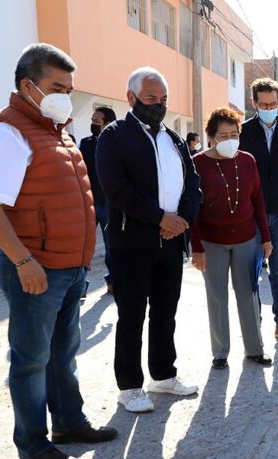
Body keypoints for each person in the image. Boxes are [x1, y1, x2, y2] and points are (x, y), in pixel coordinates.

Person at [0, 43, 117, 459]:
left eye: (70, 87)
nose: (66, 95)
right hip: (36, 268)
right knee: (30, 360)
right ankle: (32, 445)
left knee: (63, 353)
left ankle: (68, 423)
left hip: (68, 266)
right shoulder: (8, 131)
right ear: (28, 85)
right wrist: (24, 263)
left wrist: (81, 263)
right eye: (56, 86)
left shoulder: (54, 128)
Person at [97, 67, 201, 413]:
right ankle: (129, 386)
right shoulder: (113, 137)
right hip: (132, 244)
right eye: (151, 99)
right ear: (131, 98)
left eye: (163, 100)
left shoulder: (172, 138)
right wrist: (160, 217)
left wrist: (181, 219)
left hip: (171, 243)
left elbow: (193, 185)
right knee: (131, 315)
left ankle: (163, 375)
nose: (158, 105)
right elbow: (118, 190)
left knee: (165, 312)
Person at [192, 107, 273, 369]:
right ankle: (220, 352)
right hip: (211, 241)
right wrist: (196, 247)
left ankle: (255, 349)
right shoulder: (198, 164)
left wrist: (266, 237)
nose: (229, 140)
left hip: (246, 239)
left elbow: (258, 200)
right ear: (211, 136)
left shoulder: (248, 160)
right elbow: (192, 208)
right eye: (223, 135)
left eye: (234, 134)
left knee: (248, 293)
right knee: (216, 296)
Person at [239, 78, 278, 344]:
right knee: (251, 272)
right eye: (264, 104)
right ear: (254, 103)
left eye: (273, 104)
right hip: (251, 213)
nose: (269, 108)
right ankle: (253, 330)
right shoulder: (243, 132)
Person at [79, 106, 117, 294]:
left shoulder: (117, 144)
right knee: (83, 245)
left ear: (107, 124)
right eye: (92, 120)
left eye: (96, 121)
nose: (92, 124)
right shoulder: (84, 144)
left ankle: (113, 282)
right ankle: (79, 286)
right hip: (88, 205)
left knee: (111, 246)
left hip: (109, 206)